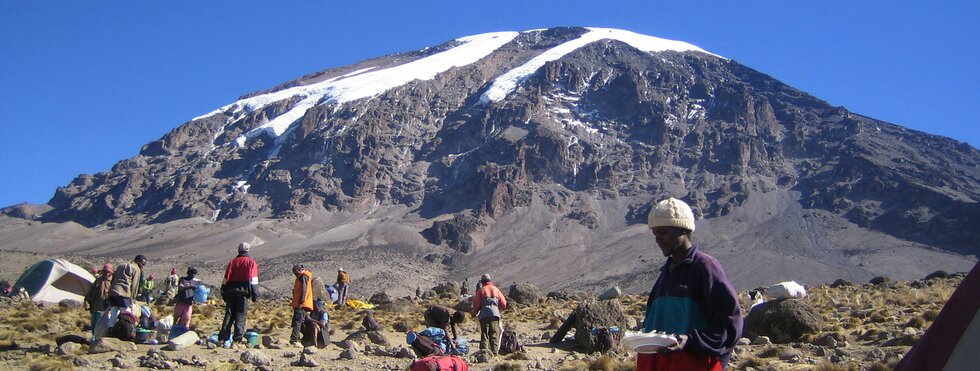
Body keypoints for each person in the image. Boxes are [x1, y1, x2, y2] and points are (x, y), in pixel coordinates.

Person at [638, 197, 742, 371]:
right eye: (655, 233)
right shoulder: (667, 272)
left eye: (663, 232)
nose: (658, 239)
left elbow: (730, 324)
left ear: (683, 229)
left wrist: (691, 341)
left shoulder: (705, 267)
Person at [219, 242, 260, 348]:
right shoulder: (251, 262)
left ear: (239, 250)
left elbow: (226, 279)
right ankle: (237, 340)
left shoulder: (232, 262)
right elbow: (253, 280)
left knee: (229, 314)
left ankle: (223, 338)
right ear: (248, 250)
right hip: (243, 292)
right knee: (240, 315)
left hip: (230, 291)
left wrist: (223, 291)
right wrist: (255, 295)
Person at [472, 273, 507, 355]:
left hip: (484, 314)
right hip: (495, 314)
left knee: (485, 334)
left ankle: (484, 353)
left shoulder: (481, 290)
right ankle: (494, 353)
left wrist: (474, 313)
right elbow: (504, 304)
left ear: (482, 282)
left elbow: (476, 305)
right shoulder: (496, 290)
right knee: (494, 333)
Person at [84, 263, 114, 332]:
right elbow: (90, 292)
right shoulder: (98, 280)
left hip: (106, 309)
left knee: (103, 328)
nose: (106, 274)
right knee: (94, 327)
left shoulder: (113, 281)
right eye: (105, 272)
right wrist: (87, 302)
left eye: (108, 272)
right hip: (95, 307)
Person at [290, 264, 314, 347]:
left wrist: (301, 301)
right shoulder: (301, 276)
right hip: (300, 303)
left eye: (295, 271)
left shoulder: (304, 276)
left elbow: (305, 289)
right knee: (298, 322)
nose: (294, 273)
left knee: (298, 322)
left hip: (302, 304)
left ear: (299, 270)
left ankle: (295, 340)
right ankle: (307, 339)